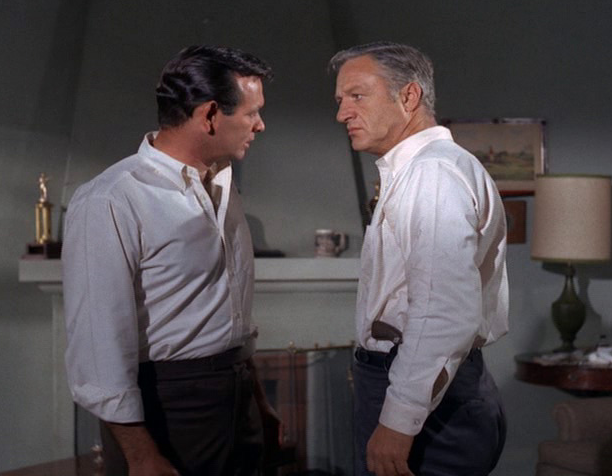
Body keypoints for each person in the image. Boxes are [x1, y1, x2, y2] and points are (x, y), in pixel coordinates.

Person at [62, 45, 279, 476]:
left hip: (237, 397)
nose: (260, 125)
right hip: (170, 409)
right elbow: (98, 344)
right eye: (252, 113)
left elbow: (229, 312)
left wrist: (257, 402)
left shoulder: (222, 185)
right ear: (210, 114)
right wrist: (140, 453)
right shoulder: (112, 199)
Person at [330, 42, 509, 476]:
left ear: (409, 96)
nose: (342, 114)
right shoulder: (420, 170)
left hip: (428, 404)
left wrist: (398, 420)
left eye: (357, 96)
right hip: (419, 387)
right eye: (340, 100)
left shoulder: (432, 174)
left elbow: (444, 310)